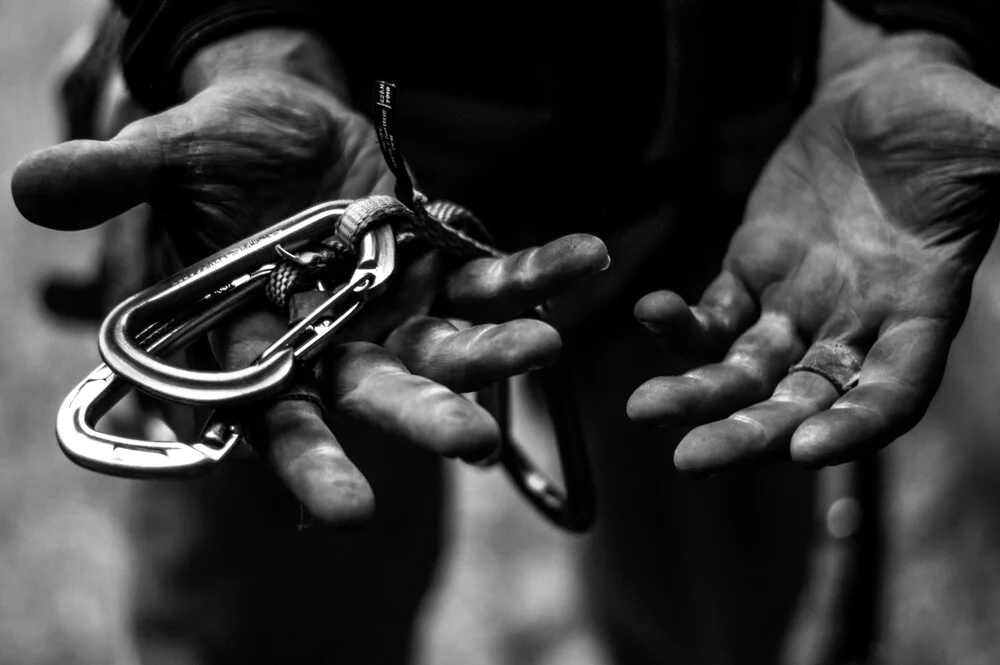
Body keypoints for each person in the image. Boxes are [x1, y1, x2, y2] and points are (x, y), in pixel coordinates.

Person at [12, 0, 1000, 662]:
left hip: (742, 139)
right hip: (321, 132)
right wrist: (230, 24)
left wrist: (917, 27)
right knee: (269, 627)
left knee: (713, 617)